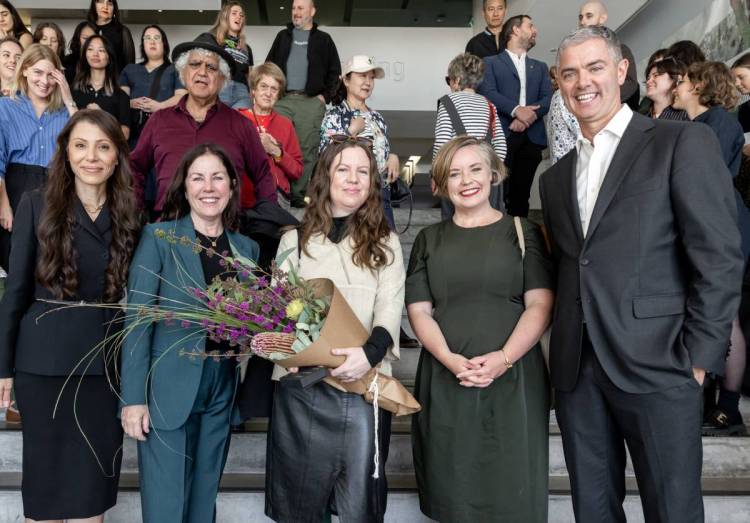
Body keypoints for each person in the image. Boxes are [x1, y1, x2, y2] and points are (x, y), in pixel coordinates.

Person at [539, 26, 744, 521]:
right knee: (593, 509)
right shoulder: (554, 177)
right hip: (578, 371)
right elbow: (572, 265)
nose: (581, 82)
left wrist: (700, 360)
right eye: (569, 73)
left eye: (594, 68)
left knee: (672, 510)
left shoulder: (681, 142)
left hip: (661, 363)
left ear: (622, 71)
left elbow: (718, 257)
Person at [0, 108, 140, 522]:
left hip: (103, 364)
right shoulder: (35, 203)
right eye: (80, 145)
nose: (91, 157)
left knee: (90, 493)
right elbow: (17, 292)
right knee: (46, 494)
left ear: (117, 156)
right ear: (66, 151)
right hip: (43, 365)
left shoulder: (131, 211)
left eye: (103, 147)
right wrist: (3, 367)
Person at [406, 135, 553, 522]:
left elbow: (540, 304)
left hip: (514, 379)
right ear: (441, 182)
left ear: (493, 173)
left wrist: (504, 359)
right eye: (453, 173)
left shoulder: (522, 231)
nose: (466, 180)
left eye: (474, 169)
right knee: (453, 490)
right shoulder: (428, 239)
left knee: (513, 489)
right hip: (446, 376)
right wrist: (451, 360)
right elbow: (419, 312)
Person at [266, 138, 405, 523]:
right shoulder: (293, 242)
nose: (353, 179)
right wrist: (289, 353)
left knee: (359, 506)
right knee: (300, 506)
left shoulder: (386, 243)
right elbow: (277, 311)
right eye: (343, 169)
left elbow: (390, 308)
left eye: (363, 171)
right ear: (326, 176)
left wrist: (368, 355)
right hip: (302, 387)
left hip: (363, 388)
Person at [121, 142, 258, 523]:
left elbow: (248, 323)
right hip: (168, 386)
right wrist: (132, 399)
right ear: (185, 188)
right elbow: (137, 321)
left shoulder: (246, 249)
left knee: (203, 499)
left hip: (222, 385)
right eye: (198, 178)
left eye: (217, 177)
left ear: (232, 185)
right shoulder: (160, 238)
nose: (208, 187)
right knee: (167, 505)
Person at [672, 60, 749, 436]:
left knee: (725, 312)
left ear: (701, 85)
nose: (678, 86)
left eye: (684, 81)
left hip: (722, 222)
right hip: (705, 222)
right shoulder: (697, 125)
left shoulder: (718, 122)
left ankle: (728, 409)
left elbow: (705, 179)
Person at [130, 38, 276, 220]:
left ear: (222, 78)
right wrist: (136, 212)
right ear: (183, 73)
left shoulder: (242, 125)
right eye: (195, 64)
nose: (202, 72)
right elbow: (134, 168)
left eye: (211, 68)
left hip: (224, 234)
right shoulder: (159, 120)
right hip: (168, 232)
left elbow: (263, 176)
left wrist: (265, 223)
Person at [0, 43, 77, 272]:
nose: (44, 81)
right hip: (17, 187)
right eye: (37, 72)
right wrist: (3, 204)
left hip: (56, 188)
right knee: (15, 262)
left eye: (50, 74)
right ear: (24, 70)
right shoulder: (5, 107)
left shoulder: (65, 112)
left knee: (50, 263)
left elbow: (83, 141)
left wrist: (68, 97)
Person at [266, 0, 341, 207]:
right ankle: (276, 188)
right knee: (273, 143)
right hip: (283, 99)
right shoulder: (282, 37)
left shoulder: (324, 40)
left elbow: (335, 71)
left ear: (312, 11)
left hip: (311, 101)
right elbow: (269, 66)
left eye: (300, 8)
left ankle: (298, 194)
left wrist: (324, 97)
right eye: (293, 8)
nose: (295, 12)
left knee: (307, 147)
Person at [478, 14, 552, 217]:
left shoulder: (540, 66)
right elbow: (488, 92)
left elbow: (548, 98)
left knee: (522, 196)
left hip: (531, 139)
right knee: (496, 193)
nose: (535, 30)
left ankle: (519, 243)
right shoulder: (490, 62)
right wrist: (516, 111)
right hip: (502, 136)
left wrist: (527, 118)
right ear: (515, 30)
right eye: (530, 25)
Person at [319, 55, 400, 229]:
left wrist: (391, 156)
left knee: (386, 248)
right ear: (346, 81)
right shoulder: (335, 115)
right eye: (362, 76)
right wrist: (351, 132)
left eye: (371, 77)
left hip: (380, 194)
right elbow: (325, 158)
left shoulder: (377, 117)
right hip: (350, 193)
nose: (368, 82)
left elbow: (381, 154)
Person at [434, 52, 507, 215]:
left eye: (449, 80)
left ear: (457, 80)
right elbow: (501, 145)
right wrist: (491, 172)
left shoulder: (447, 102)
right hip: (484, 177)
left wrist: (436, 176)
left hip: (456, 177)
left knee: (453, 224)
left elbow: (442, 144)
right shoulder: (489, 105)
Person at [238, 61, 302, 205]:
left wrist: (276, 151)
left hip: (277, 199)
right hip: (242, 198)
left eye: (274, 89)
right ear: (253, 90)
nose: (268, 93)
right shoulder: (237, 118)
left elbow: (297, 171)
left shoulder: (285, 124)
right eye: (264, 86)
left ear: (278, 94)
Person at [119, 25, 186, 147]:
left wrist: (160, 106)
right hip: (135, 134)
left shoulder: (175, 69)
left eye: (156, 37)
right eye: (147, 38)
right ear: (143, 45)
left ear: (164, 44)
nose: (152, 41)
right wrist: (130, 103)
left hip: (165, 131)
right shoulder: (130, 69)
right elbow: (119, 98)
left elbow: (182, 96)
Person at [578, 2, 640, 110]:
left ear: (602, 18)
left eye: (589, 16)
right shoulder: (577, 52)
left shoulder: (620, 50)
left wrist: (600, 99)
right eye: (581, 17)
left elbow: (630, 84)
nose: (583, 22)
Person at [71, 34, 131, 140]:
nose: (95, 54)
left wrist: (101, 115)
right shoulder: (74, 91)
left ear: (109, 57)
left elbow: (124, 136)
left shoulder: (121, 96)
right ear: (85, 55)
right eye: (90, 49)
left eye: (101, 50)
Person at [196, 0, 253, 109]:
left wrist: (251, 95)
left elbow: (248, 76)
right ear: (225, 16)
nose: (239, 17)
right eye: (234, 13)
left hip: (242, 92)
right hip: (220, 87)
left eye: (241, 15)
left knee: (240, 124)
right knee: (218, 123)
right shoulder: (213, 40)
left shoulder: (246, 48)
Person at [87, 0, 135, 74]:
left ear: (114, 8)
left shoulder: (122, 31)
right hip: (89, 81)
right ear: (94, 5)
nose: (105, 6)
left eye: (109, 3)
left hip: (117, 82)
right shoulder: (86, 29)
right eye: (101, 2)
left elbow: (130, 64)